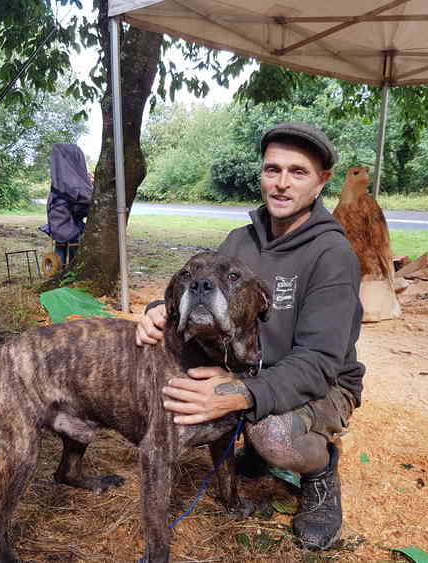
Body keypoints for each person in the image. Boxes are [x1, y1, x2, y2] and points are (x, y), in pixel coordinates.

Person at [135, 123, 365, 550]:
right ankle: (253, 437)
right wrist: (155, 312)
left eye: (297, 172)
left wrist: (244, 396)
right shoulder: (238, 242)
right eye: (272, 169)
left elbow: (319, 361)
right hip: (247, 371)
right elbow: (199, 288)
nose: (281, 183)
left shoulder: (333, 256)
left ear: (321, 181)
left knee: (273, 434)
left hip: (322, 383)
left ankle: (320, 470)